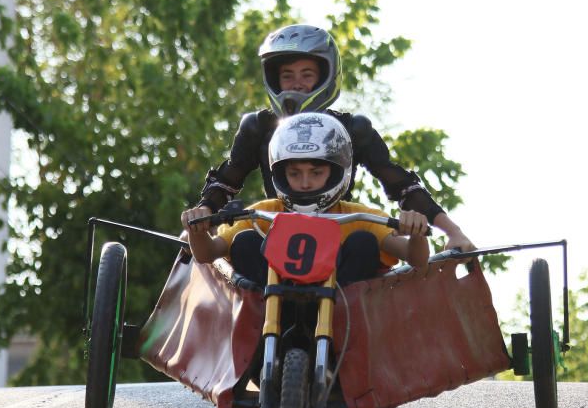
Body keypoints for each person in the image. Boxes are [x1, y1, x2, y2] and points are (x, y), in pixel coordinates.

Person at [183, 23, 474, 252]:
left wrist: (453, 232)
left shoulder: (353, 128)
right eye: (287, 75)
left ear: (326, 76)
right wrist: (201, 215)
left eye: (307, 74)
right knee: (243, 248)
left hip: (341, 235)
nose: (297, 83)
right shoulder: (257, 126)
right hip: (274, 234)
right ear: (274, 80)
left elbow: (401, 185)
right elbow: (227, 181)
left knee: (366, 248)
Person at [183, 113, 430, 286]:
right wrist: (197, 229)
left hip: (342, 312)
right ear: (279, 173)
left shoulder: (358, 216)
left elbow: (415, 258)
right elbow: (208, 253)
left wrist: (416, 231)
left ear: (336, 171)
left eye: (316, 173)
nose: (304, 182)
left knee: (363, 242)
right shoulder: (263, 213)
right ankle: (261, 339)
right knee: (244, 241)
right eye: (294, 173)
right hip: (270, 308)